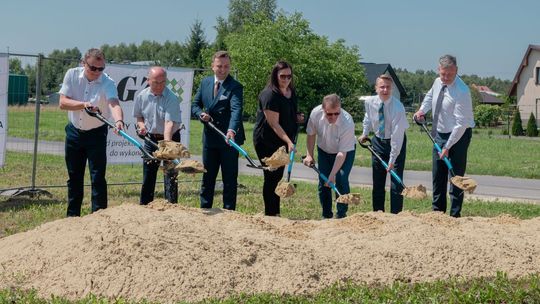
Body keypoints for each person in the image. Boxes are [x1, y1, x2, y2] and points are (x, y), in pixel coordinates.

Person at [59, 48, 124, 217]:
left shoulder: (107, 82)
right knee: (74, 177)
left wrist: (118, 121)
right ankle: (72, 217)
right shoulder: (72, 75)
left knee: (97, 177)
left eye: (101, 69)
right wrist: (84, 105)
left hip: (96, 134)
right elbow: (62, 102)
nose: (97, 72)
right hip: (74, 133)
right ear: (83, 63)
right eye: (93, 68)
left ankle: (99, 217)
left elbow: (114, 103)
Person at [414, 54, 475, 217]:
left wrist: (447, 146)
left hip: (459, 136)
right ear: (438, 70)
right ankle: (437, 212)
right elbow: (429, 97)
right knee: (438, 175)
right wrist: (421, 110)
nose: (446, 77)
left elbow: (461, 124)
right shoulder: (437, 82)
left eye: (450, 74)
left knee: (455, 176)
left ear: (456, 71)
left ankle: (455, 215)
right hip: (439, 133)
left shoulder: (462, 92)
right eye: (443, 74)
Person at [191, 51, 245, 210]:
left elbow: (236, 110)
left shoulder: (235, 86)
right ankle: (205, 209)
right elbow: (195, 104)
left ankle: (229, 212)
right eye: (219, 66)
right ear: (212, 66)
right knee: (207, 177)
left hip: (228, 139)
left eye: (226, 66)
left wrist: (231, 130)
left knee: (229, 179)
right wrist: (200, 114)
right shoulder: (205, 83)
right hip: (210, 138)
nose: (223, 69)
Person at [253, 61, 304, 216]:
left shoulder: (290, 91)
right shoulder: (269, 95)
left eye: (289, 76)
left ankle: (276, 212)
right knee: (271, 177)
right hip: (266, 141)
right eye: (283, 76)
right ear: (275, 75)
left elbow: (287, 113)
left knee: (278, 176)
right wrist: (289, 142)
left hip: (283, 139)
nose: (286, 79)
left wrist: (297, 117)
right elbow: (274, 124)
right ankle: (271, 213)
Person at [359, 74, 409, 214]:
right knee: (378, 180)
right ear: (376, 88)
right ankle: (378, 213)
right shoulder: (370, 102)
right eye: (382, 87)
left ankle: (395, 215)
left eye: (388, 87)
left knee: (396, 183)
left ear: (391, 88)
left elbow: (397, 137)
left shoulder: (398, 108)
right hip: (378, 141)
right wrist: (365, 133)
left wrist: (392, 159)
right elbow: (368, 118)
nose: (385, 90)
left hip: (395, 144)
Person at [133, 66, 182, 205]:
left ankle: (171, 206)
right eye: (156, 82)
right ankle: (145, 205)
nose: (160, 86)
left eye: (162, 82)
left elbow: (169, 124)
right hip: (150, 139)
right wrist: (141, 126)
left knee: (170, 176)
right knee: (148, 175)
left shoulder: (171, 98)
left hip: (170, 138)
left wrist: (167, 145)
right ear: (148, 80)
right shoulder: (141, 96)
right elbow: (139, 117)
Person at [303, 94, 356, 219]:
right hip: (324, 149)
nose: (333, 117)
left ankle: (341, 215)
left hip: (344, 152)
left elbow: (342, 153)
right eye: (329, 114)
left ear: (340, 109)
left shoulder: (347, 121)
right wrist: (309, 155)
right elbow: (311, 134)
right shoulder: (315, 114)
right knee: (324, 182)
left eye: (336, 113)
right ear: (323, 110)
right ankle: (326, 215)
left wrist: (332, 176)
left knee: (341, 179)